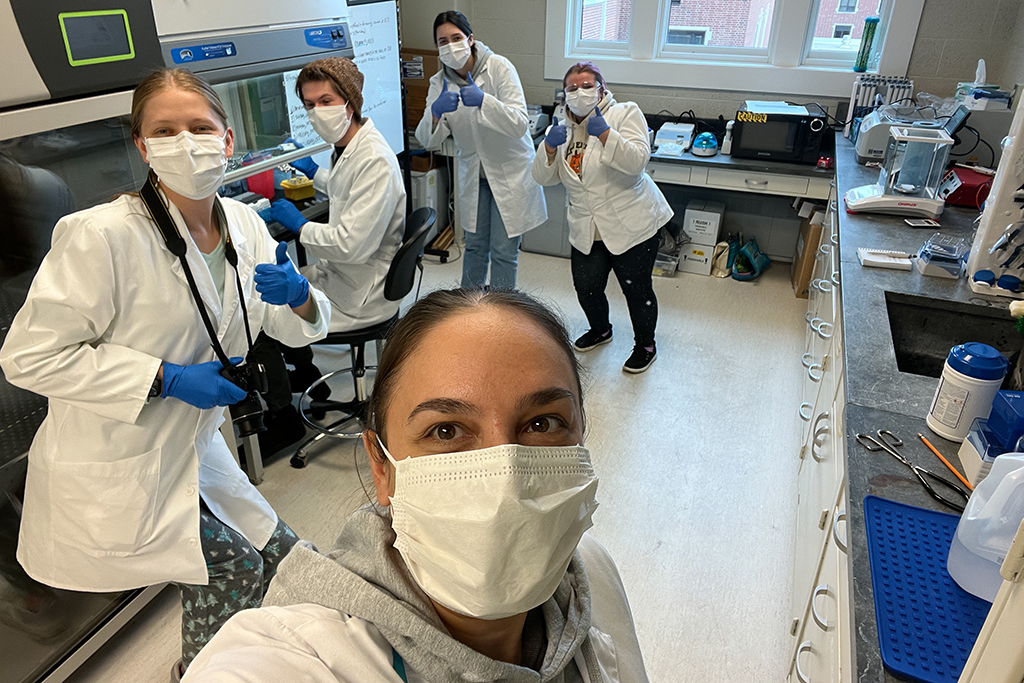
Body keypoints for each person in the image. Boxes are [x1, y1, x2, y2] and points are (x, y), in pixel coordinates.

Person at [0, 68, 333, 679]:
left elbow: (296, 328)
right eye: (166, 129)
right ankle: (201, 673)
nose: (187, 141)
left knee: (284, 556)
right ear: (142, 146)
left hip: (194, 447)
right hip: (120, 457)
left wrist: (301, 295)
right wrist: (167, 378)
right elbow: (27, 356)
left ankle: (253, 661)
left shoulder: (245, 225)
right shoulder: (99, 236)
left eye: (200, 127)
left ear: (227, 140)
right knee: (232, 566)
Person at [181, 289, 649, 682]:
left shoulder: (593, 573)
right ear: (381, 468)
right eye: (445, 430)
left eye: (543, 423)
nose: (504, 473)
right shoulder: (291, 657)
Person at [262, 57, 406, 394]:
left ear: (350, 103)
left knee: (266, 308)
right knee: (283, 289)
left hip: (362, 290)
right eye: (309, 104)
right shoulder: (349, 148)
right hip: (349, 274)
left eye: (326, 101)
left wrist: (299, 226)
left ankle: (286, 405)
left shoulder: (374, 160)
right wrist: (315, 173)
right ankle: (304, 369)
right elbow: (349, 189)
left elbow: (350, 245)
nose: (316, 112)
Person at [532, 62, 672, 374]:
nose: (579, 92)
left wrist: (607, 134)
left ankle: (645, 345)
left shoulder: (624, 113)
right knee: (587, 286)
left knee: (636, 288)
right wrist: (549, 148)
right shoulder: (562, 125)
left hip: (631, 222)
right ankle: (601, 329)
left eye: (586, 86)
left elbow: (637, 161)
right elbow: (543, 177)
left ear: (602, 89)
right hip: (586, 224)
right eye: (571, 88)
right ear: (564, 95)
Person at [415, 11, 547, 290]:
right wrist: (435, 114)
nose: (450, 46)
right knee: (473, 247)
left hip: (509, 172)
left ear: (471, 39)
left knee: (503, 251)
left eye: (456, 38)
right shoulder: (439, 83)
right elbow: (427, 139)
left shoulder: (499, 68)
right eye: (442, 41)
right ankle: (469, 311)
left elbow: (520, 124)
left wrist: (484, 101)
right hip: (474, 175)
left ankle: (501, 313)